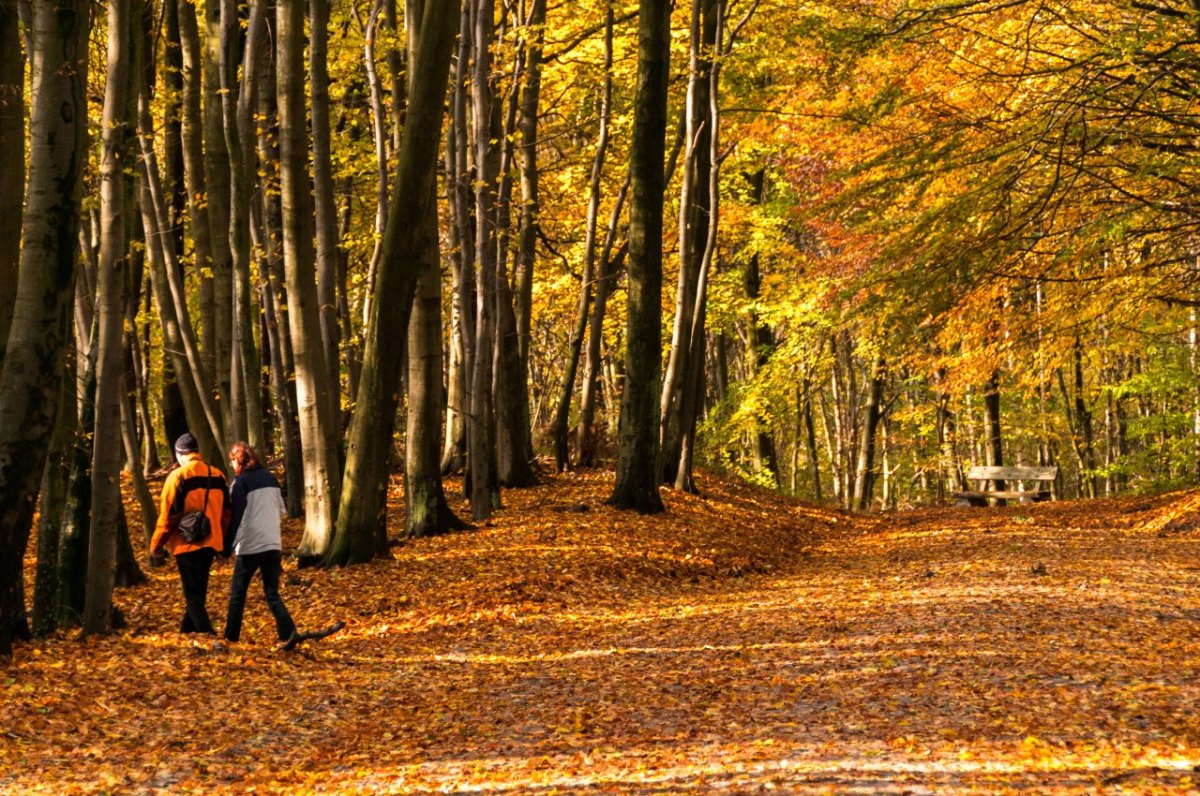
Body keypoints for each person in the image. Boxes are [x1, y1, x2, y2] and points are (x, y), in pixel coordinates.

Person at [150, 432, 230, 636]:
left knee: (193, 593)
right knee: (199, 590)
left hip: (186, 542)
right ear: (197, 452)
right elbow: (227, 514)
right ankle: (186, 631)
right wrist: (223, 543)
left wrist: (156, 545)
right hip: (211, 541)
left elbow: (169, 515)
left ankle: (208, 633)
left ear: (179, 454)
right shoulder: (218, 475)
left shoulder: (178, 477)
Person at [222, 441, 297, 646]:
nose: (231, 465)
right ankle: (289, 632)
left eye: (232, 461)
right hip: (273, 544)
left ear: (238, 460)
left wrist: (227, 546)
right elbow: (282, 510)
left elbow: (237, 517)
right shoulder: (271, 478)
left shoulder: (240, 483)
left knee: (238, 593)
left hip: (251, 545)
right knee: (272, 592)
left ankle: (231, 637)